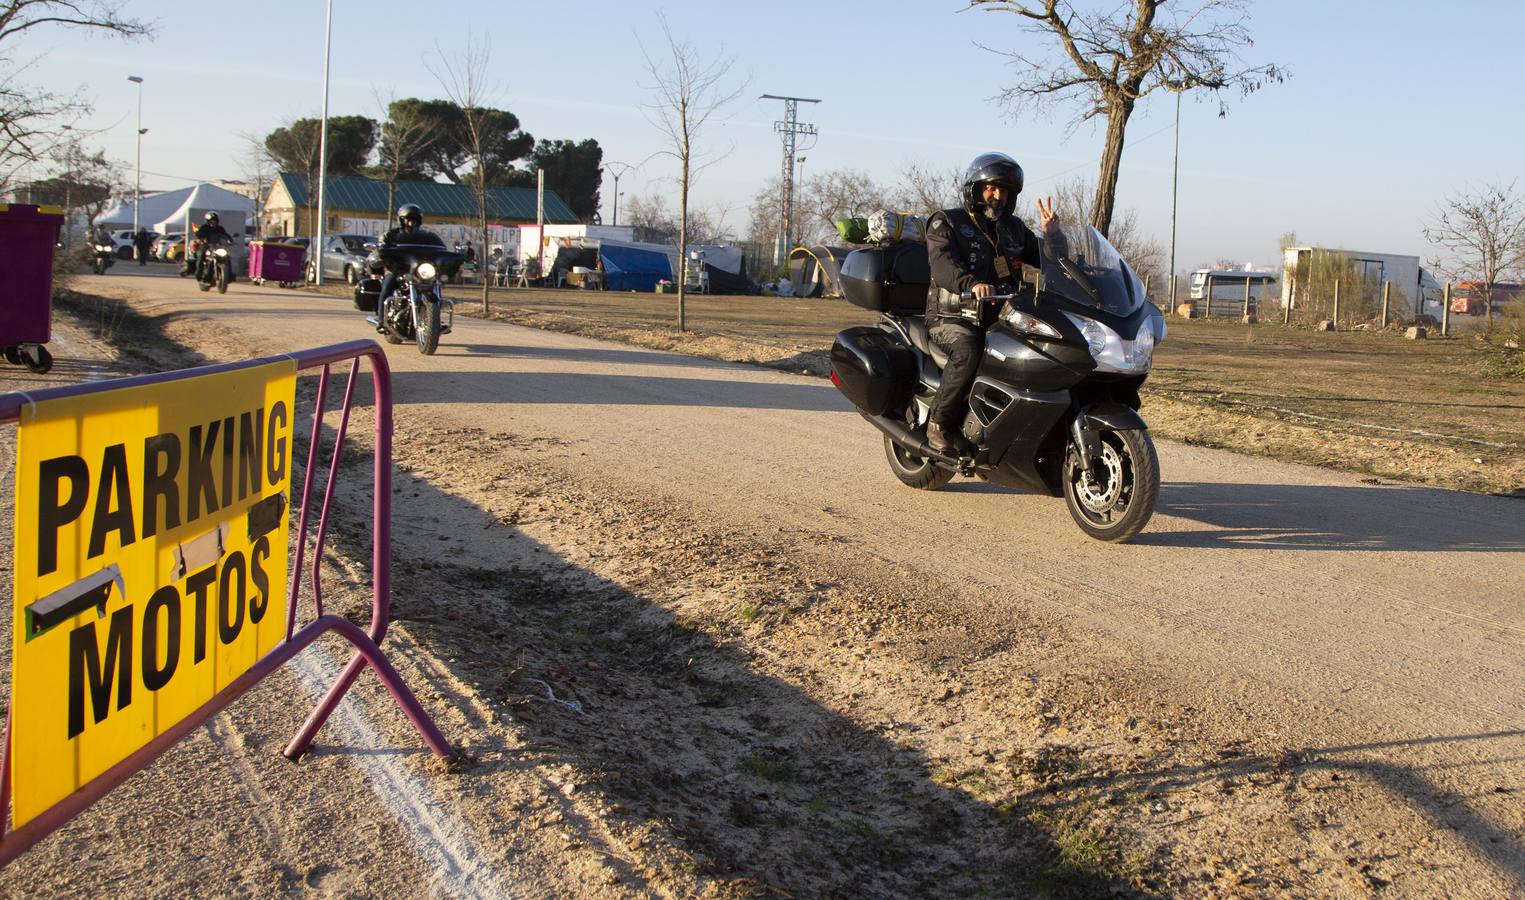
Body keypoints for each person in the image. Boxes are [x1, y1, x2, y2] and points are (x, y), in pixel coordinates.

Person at [923, 151, 1059, 456]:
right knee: (968, 350)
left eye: (1004, 190)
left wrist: (1054, 239)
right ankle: (939, 423)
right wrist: (971, 284)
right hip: (951, 318)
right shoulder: (948, 222)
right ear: (974, 189)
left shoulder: (1014, 229)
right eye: (991, 188)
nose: (997, 196)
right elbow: (941, 263)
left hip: (1000, 316)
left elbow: (1047, 261)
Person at [371, 204, 444, 323]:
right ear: (401, 220)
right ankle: (381, 319)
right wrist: (380, 249)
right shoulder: (391, 235)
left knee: (435, 285)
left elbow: (441, 248)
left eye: (414, 220)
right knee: (387, 285)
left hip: (419, 271)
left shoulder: (427, 236)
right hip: (396, 269)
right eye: (408, 220)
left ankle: (434, 319)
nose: (411, 223)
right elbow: (381, 247)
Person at [190, 212, 233, 279]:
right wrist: (200, 239)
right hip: (206, 246)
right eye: (212, 221)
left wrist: (230, 240)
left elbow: (225, 235)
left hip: (217, 246)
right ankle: (199, 272)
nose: (214, 222)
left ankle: (230, 276)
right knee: (201, 255)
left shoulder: (219, 228)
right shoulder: (204, 227)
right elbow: (198, 234)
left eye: (215, 221)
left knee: (227, 257)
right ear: (208, 221)